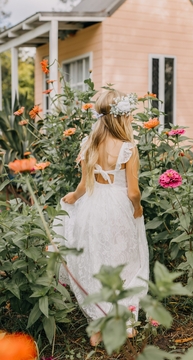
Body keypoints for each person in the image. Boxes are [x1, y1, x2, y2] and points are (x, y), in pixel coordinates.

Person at [53, 90, 149, 346]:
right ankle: (125, 323)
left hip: (93, 208)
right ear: (122, 117)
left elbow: (83, 187)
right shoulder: (128, 148)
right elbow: (132, 191)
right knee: (125, 262)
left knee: (96, 262)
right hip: (119, 209)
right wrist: (137, 208)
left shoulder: (89, 143)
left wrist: (71, 198)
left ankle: (98, 324)